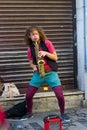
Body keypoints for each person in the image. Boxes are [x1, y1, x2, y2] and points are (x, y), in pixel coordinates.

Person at [22, 25, 70, 122]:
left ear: (39, 34)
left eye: (36, 34)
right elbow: (31, 62)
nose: (35, 36)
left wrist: (46, 53)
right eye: (32, 35)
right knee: (28, 95)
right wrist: (34, 67)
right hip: (38, 74)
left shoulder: (47, 43)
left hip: (51, 73)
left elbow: (56, 58)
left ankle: (63, 113)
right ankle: (29, 112)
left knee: (60, 95)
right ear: (29, 36)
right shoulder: (30, 48)